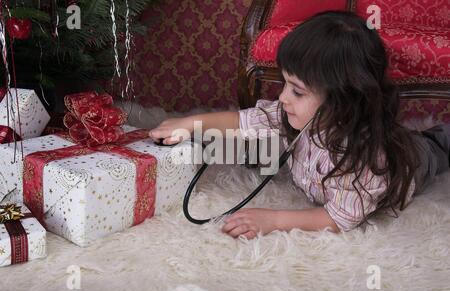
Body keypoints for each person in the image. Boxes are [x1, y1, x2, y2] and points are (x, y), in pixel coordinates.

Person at [146, 11, 450, 239]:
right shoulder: (295, 115)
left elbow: (338, 218)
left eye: (297, 91)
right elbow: (241, 121)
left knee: (434, 145)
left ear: (342, 100)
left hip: (417, 159)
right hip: (373, 134)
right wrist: (190, 123)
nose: (282, 98)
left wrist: (273, 220)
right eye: (285, 84)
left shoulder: (366, 159)